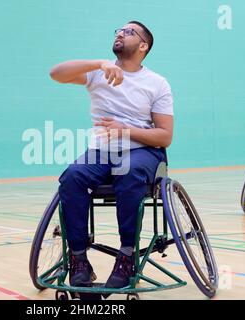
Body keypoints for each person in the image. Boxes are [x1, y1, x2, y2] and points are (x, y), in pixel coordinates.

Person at [49, 21, 173, 290]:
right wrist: (98, 63)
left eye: (129, 32)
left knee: (128, 171)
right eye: (119, 30)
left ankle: (127, 254)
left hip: (143, 151)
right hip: (101, 152)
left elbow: (165, 136)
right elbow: (55, 73)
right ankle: (79, 258)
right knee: (72, 177)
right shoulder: (97, 73)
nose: (120, 33)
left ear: (143, 46)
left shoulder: (156, 83)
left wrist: (126, 131)